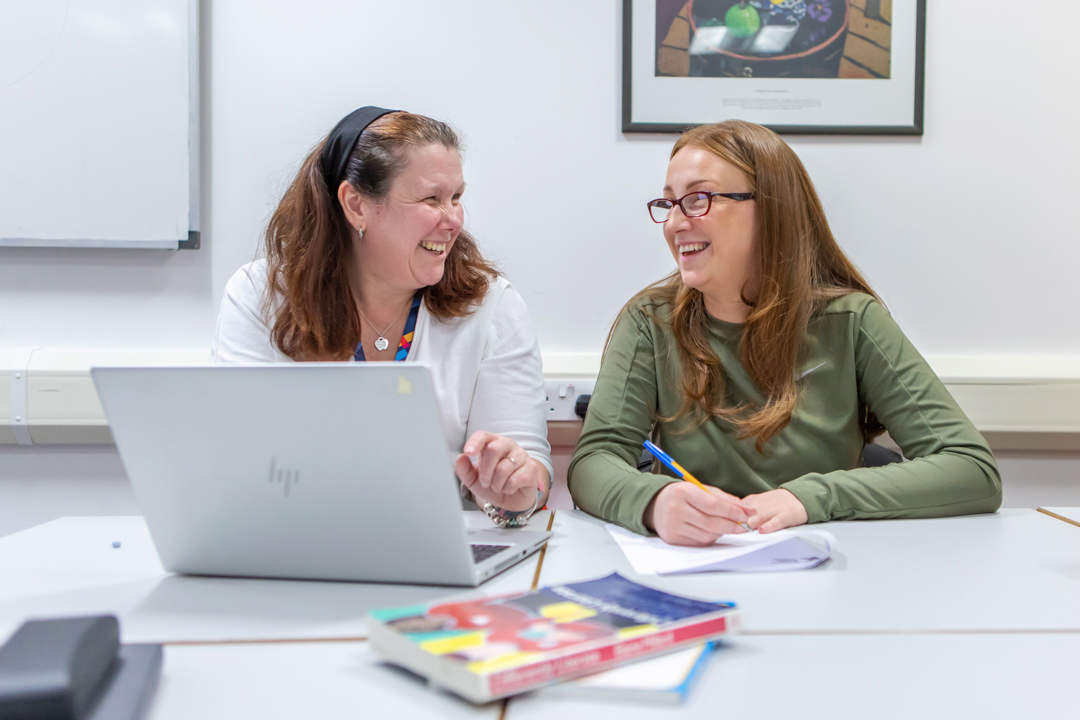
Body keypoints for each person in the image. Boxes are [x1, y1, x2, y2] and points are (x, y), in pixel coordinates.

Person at [568, 120, 1001, 546]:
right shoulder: (650, 320)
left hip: (831, 570)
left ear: (771, 208)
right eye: (669, 204)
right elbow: (594, 462)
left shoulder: (852, 321)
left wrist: (809, 498)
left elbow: (970, 467)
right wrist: (655, 502)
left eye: (698, 199)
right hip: (693, 573)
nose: (675, 224)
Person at [211, 107, 551, 527]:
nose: (454, 221)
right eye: (431, 199)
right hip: (292, 541)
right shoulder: (261, 296)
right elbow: (238, 460)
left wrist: (513, 495)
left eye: (457, 198)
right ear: (356, 205)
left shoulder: (491, 306)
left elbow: (527, 473)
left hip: (442, 550)